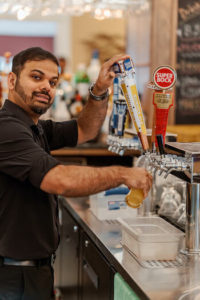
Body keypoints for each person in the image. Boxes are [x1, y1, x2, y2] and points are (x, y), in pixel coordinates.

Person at [0, 47, 152, 300]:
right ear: (12, 80)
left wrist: (100, 89)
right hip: (14, 275)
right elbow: (60, 180)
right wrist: (123, 175)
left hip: (31, 270)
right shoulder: (7, 129)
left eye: (52, 81)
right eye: (36, 77)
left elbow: (85, 129)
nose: (46, 87)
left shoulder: (34, 127)